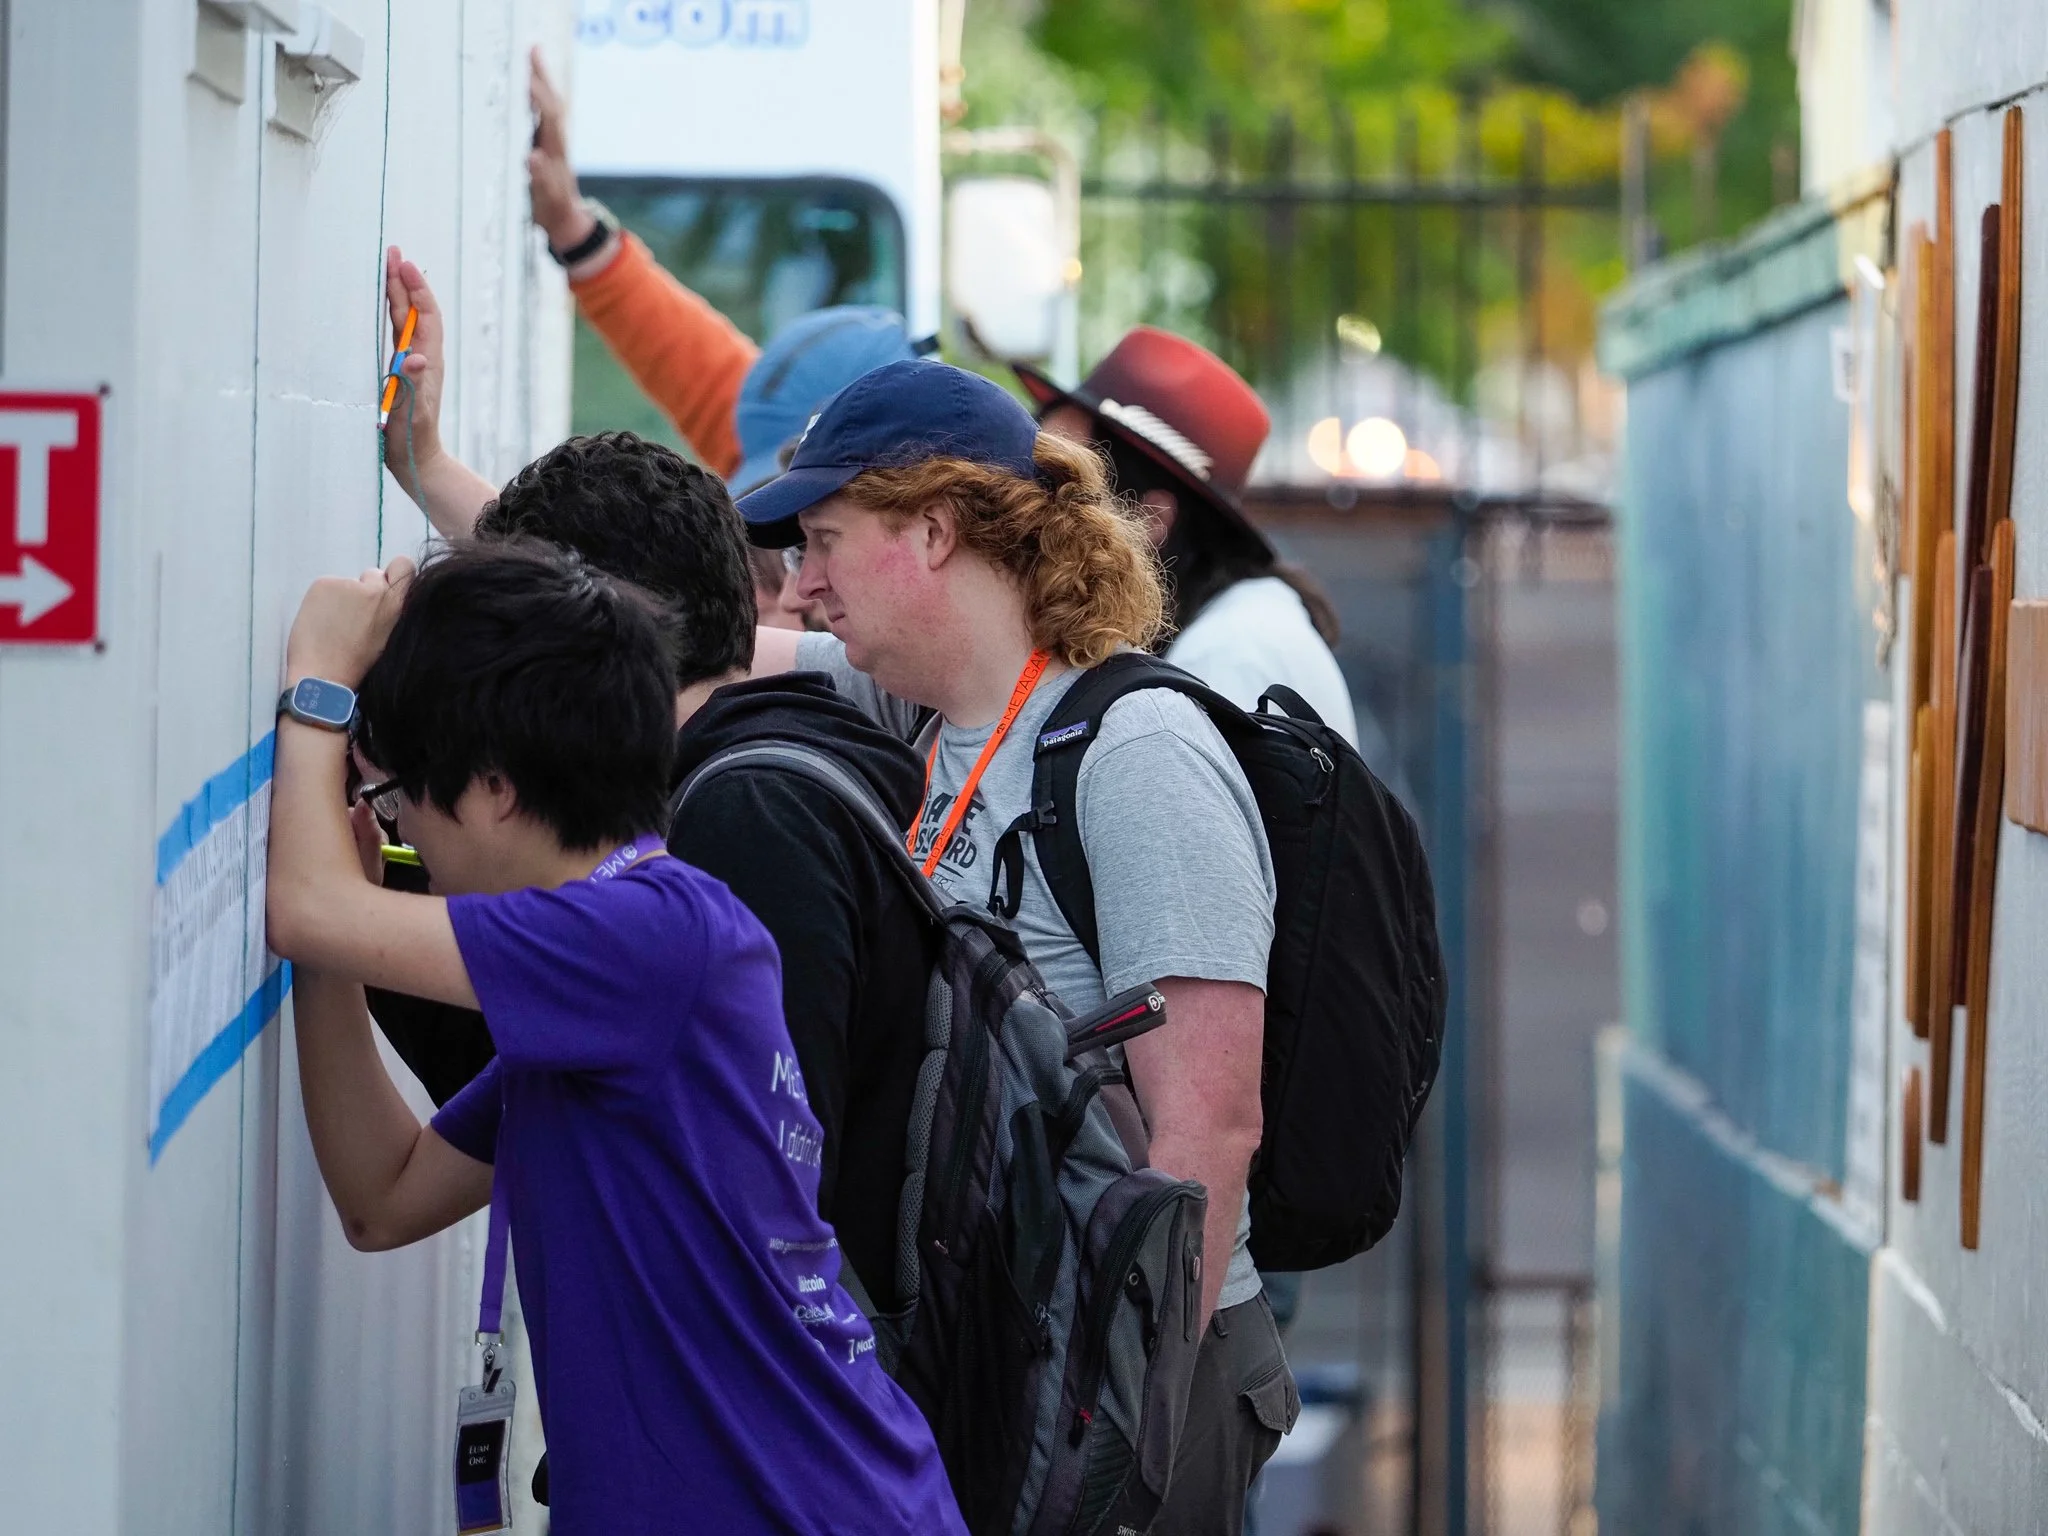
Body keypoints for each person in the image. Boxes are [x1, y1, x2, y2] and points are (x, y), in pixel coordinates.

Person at [266, 541, 965, 1533]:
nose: (401, 835)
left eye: (399, 802)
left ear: (495, 787)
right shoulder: (619, 959)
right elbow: (383, 1196)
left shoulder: (647, 942)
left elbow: (300, 907)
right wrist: (340, 947)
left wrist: (318, 686)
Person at [744, 359, 1300, 1535]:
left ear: (934, 530)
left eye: (826, 540)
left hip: (1140, 1358)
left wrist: (1122, 1413)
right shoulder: (930, 709)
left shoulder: (1134, 752)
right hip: (1017, 1335)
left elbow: (1210, 1123)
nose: (800, 588)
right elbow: (676, 653)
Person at [1019, 326, 1361, 750]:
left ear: (1149, 517)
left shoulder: (1223, 661)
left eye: (1056, 484)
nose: (1024, 503)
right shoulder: (1238, 629)